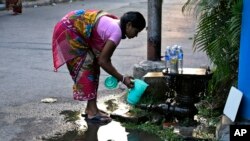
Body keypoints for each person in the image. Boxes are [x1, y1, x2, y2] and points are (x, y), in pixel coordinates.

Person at [52, 9, 146, 124]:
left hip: (72, 25)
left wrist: (120, 76)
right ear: (129, 25)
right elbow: (103, 61)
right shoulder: (116, 33)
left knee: (93, 66)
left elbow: (102, 59)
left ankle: (91, 108)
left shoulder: (116, 25)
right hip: (70, 31)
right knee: (87, 68)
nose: (136, 35)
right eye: (136, 31)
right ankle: (92, 112)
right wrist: (122, 79)